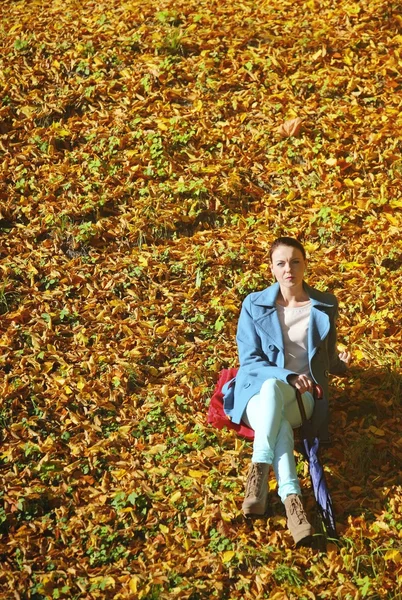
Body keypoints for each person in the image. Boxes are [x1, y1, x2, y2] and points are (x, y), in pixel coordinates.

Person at [223, 236, 350, 546]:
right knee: (271, 391)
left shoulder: (325, 305)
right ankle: (293, 507)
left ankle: (260, 479)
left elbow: (328, 355)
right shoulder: (254, 305)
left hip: (303, 397)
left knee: (277, 407)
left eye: (295, 261)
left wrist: (341, 366)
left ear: (305, 264)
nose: (288, 268)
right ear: (272, 269)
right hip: (257, 392)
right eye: (281, 263)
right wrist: (287, 375)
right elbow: (250, 361)